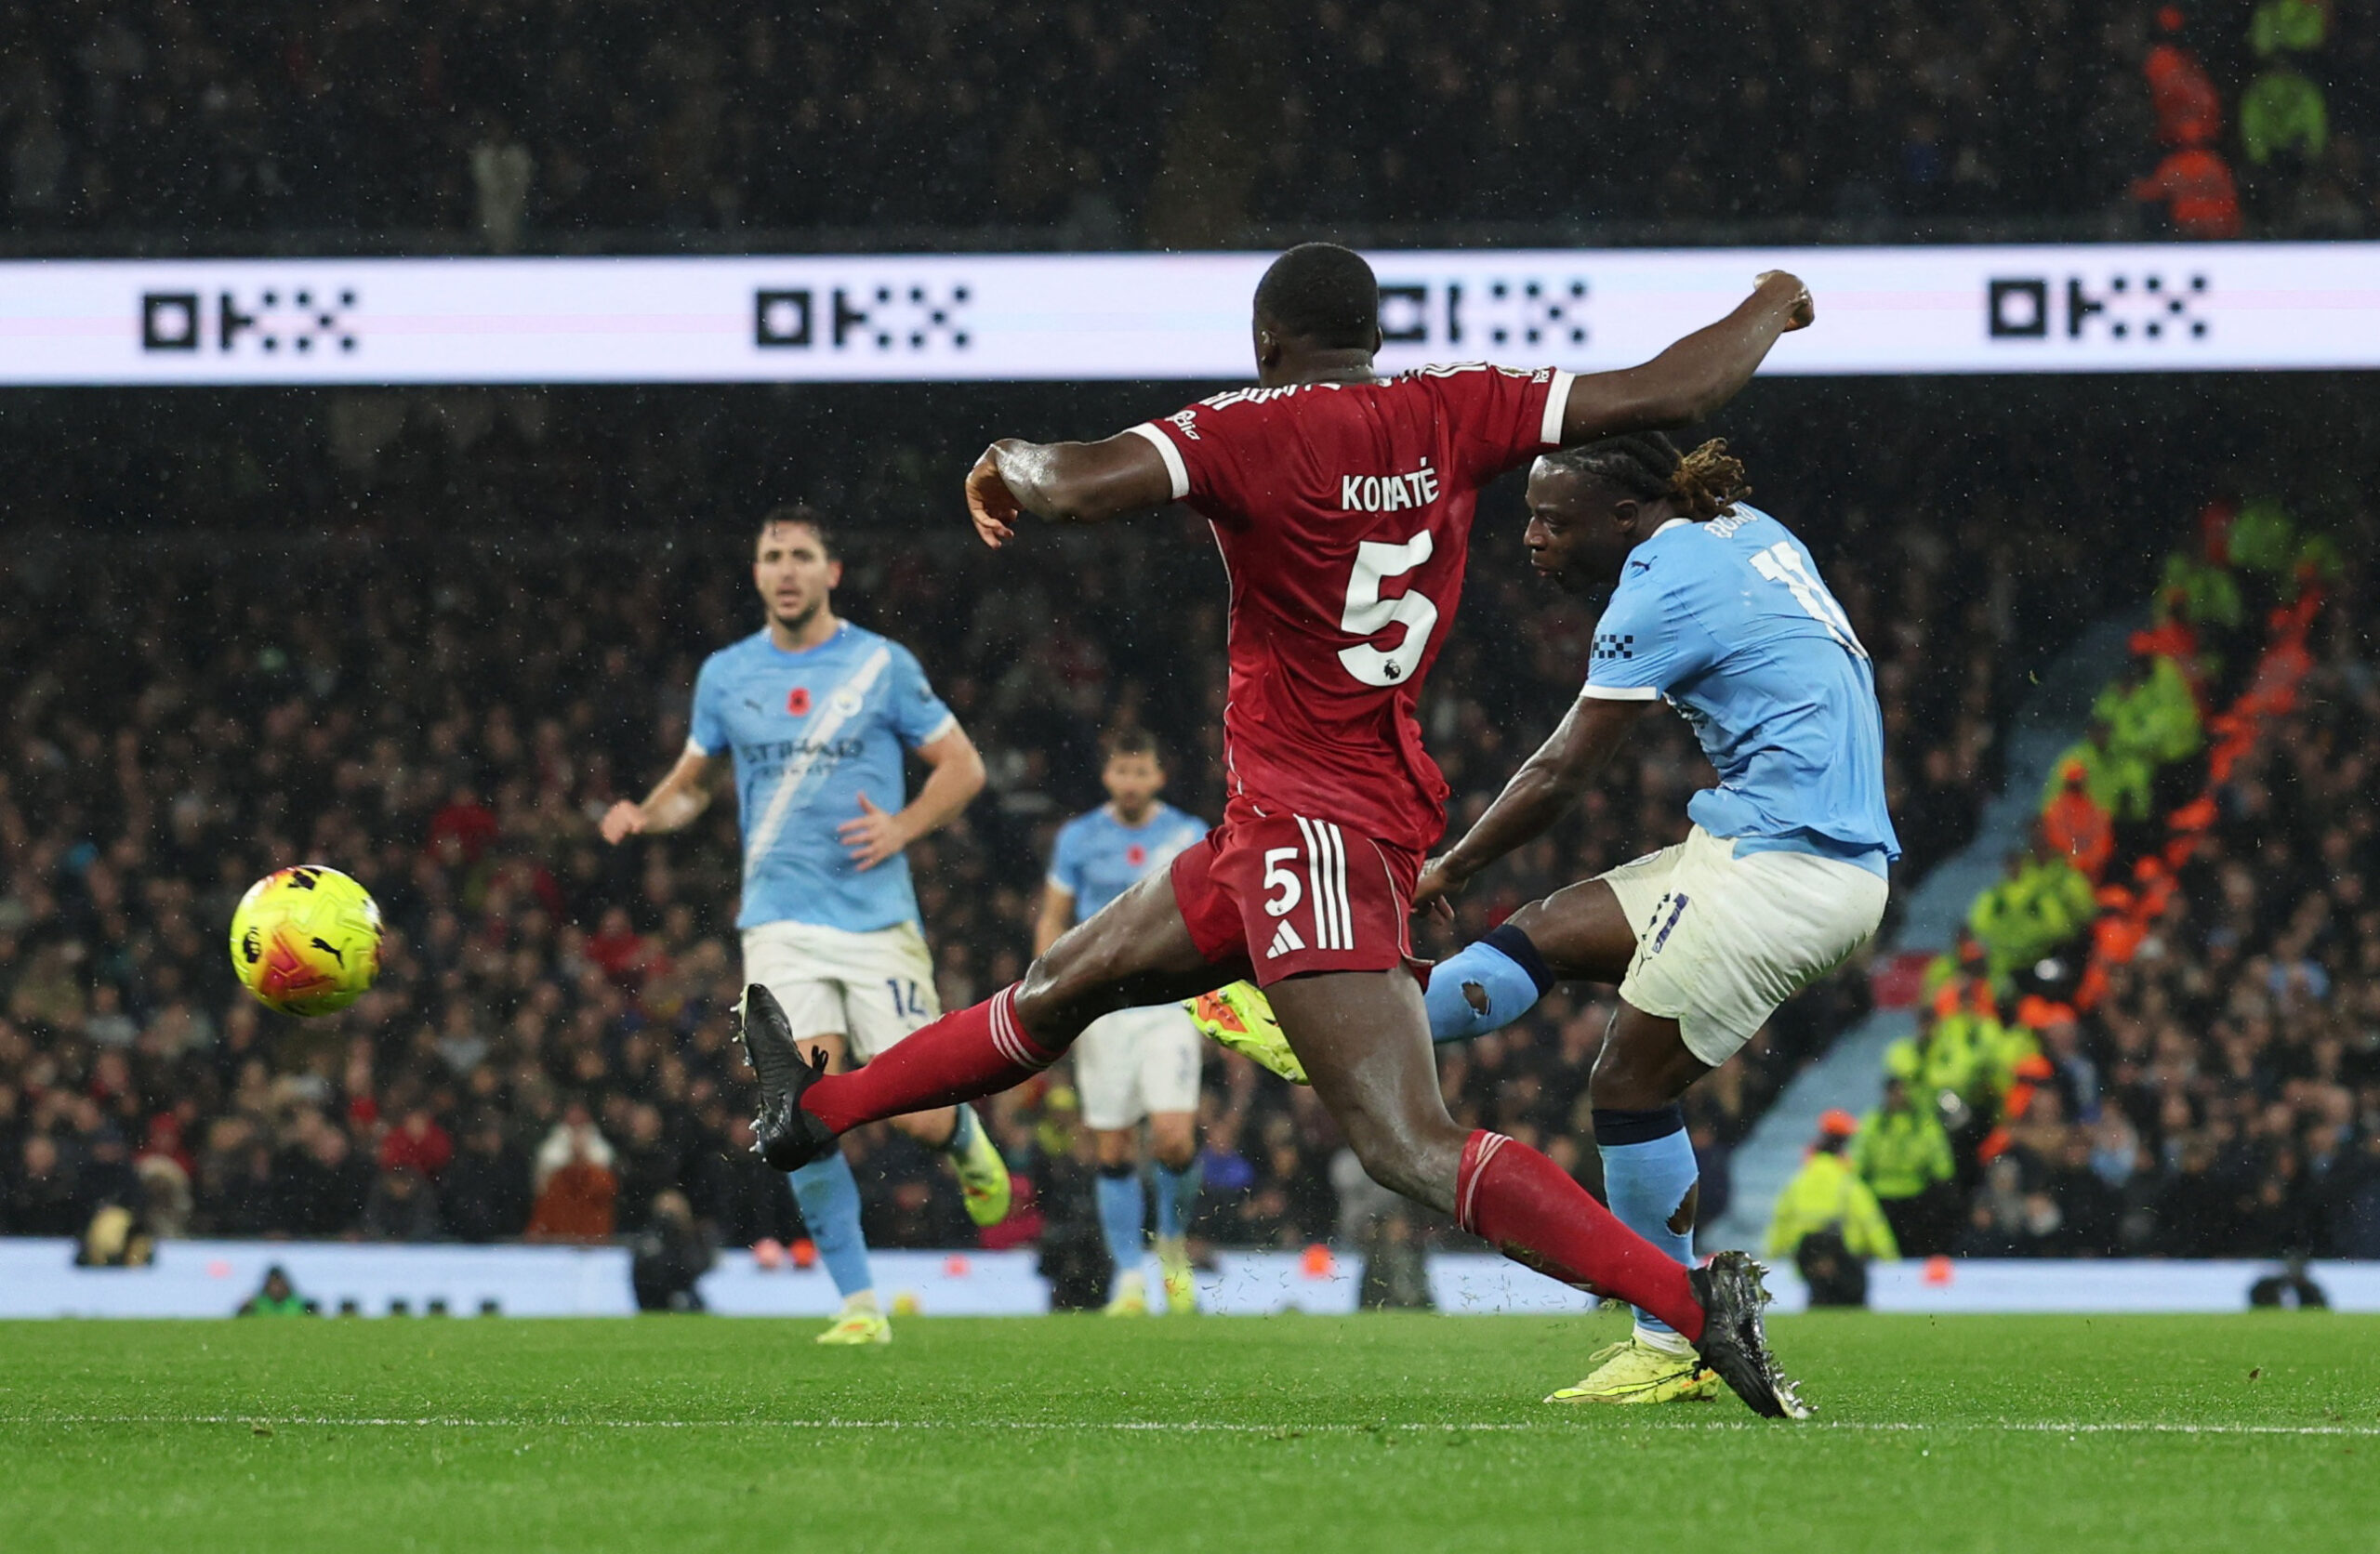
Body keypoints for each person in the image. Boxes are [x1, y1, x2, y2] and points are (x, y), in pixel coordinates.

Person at [735, 243, 1818, 1416]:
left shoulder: (1242, 427)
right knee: (1058, 989)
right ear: (1373, 337)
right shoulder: (1456, 407)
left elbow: (1076, 485)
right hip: (1282, 823)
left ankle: (1688, 1302)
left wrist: (1007, 458)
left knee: (1406, 1144)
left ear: (1265, 343)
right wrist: (1769, 302)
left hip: (1317, 831)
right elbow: (1672, 389)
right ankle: (817, 1110)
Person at [1207, 428, 1897, 1403]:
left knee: (1627, 1085)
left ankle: (1669, 1342)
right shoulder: (1743, 527)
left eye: (1552, 521)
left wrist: (1449, 867)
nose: (1531, 538)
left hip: (1791, 867)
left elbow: (1563, 771)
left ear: (1624, 515)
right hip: (1771, 839)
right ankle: (1313, 1033)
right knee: (1547, 933)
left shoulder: (1658, 585)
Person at [603, 506, 1010, 1346]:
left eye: (801, 555)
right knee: (801, 1107)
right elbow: (691, 786)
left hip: (877, 924)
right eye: (771, 556)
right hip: (778, 924)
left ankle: (963, 1138)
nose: (786, 569)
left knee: (918, 1114)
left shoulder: (881, 665)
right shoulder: (726, 675)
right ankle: (859, 1305)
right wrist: (645, 814)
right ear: (756, 574)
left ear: (833, 572)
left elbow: (963, 767)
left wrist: (904, 826)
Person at [1034, 728, 1210, 1316]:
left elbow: (1209, 914)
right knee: (1113, 1148)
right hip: (1102, 1006)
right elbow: (1054, 916)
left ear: (1159, 776)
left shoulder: (1187, 834)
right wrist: (1049, 987)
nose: (1130, 782)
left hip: (1168, 1004)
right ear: (1107, 776)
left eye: (1141, 771)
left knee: (1173, 1138)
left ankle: (1172, 1247)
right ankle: (1130, 1277)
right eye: (1121, 771)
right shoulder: (1079, 838)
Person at [1767, 1112, 1897, 1306]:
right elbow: (1872, 1223)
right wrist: (1891, 1260)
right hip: (1843, 1261)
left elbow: (1780, 1223)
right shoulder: (1849, 1184)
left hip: (1806, 1264)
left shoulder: (1798, 1182)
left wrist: (1772, 1258)